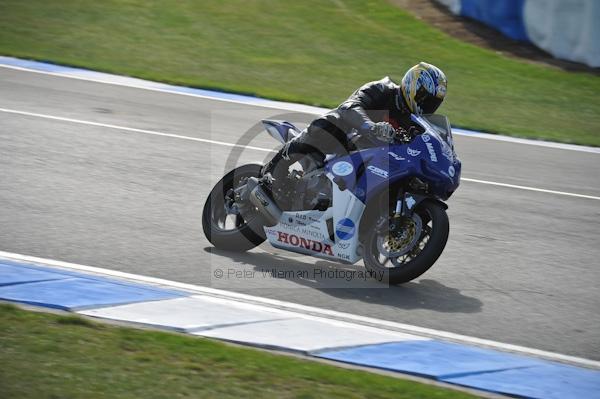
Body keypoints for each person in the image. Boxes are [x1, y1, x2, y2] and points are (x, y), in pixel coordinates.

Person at [261, 62, 448, 184]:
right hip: (345, 141)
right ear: (412, 86)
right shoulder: (382, 89)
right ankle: (271, 170)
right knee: (329, 125)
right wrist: (371, 126)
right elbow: (349, 107)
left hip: (374, 160)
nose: (427, 105)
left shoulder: (416, 123)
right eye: (426, 99)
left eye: (433, 103)